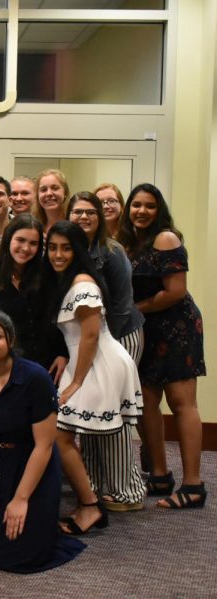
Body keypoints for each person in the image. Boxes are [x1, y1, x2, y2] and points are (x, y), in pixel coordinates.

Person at [0, 309, 84, 572]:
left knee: (23, 553)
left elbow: (44, 445)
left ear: (10, 339)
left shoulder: (36, 378)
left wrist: (21, 499)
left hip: (29, 464)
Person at [44, 221, 142, 535]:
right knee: (64, 436)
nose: (58, 255)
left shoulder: (83, 283)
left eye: (66, 248)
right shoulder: (68, 280)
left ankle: (90, 507)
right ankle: (90, 501)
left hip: (96, 362)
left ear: (78, 250)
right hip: (85, 360)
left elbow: (89, 337)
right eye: (53, 247)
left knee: (59, 436)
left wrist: (75, 382)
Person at [119, 183, 207, 509]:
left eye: (149, 206)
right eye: (136, 205)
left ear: (160, 210)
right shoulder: (130, 243)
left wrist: (135, 310)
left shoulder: (165, 238)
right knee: (147, 401)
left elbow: (176, 291)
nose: (141, 211)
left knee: (182, 403)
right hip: (146, 330)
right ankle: (158, 474)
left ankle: (193, 484)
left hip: (176, 327)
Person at [68, 191, 147, 510]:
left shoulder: (112, 252)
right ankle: (96, 482)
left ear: (100, 217)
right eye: (77, 212)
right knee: (91, 414)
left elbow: (121, 307)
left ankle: (127, 491)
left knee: (114, 417)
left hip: (117, 339)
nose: (83, 217)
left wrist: (103, 350)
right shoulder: (71, 250)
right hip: (89, 343)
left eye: (90, 212)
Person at [0, 215, 68, 379]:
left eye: (33, 243)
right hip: (9, 365)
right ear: (8, 239)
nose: (26, 248)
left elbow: (57, 319)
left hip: (49, 364)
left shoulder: (48, 276)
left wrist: (63, 354)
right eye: (20, 240)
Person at [32, 169, 68, 236]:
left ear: (65, 192)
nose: (49, 193)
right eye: (43, 190)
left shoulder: (75, 225)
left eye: (55, 188)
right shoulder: (33, 227)